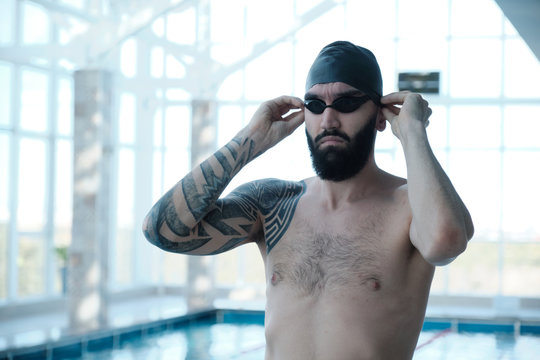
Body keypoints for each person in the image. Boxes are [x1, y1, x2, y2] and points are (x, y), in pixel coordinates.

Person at [142, 41, 474, 359]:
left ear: (380, 116)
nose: (328, 120)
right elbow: (163, 231)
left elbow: (444, 243)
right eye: (315, 105)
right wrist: (251, 141)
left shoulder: (411, 206)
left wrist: (413, 132)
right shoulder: (273, 203)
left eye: (346, 104)